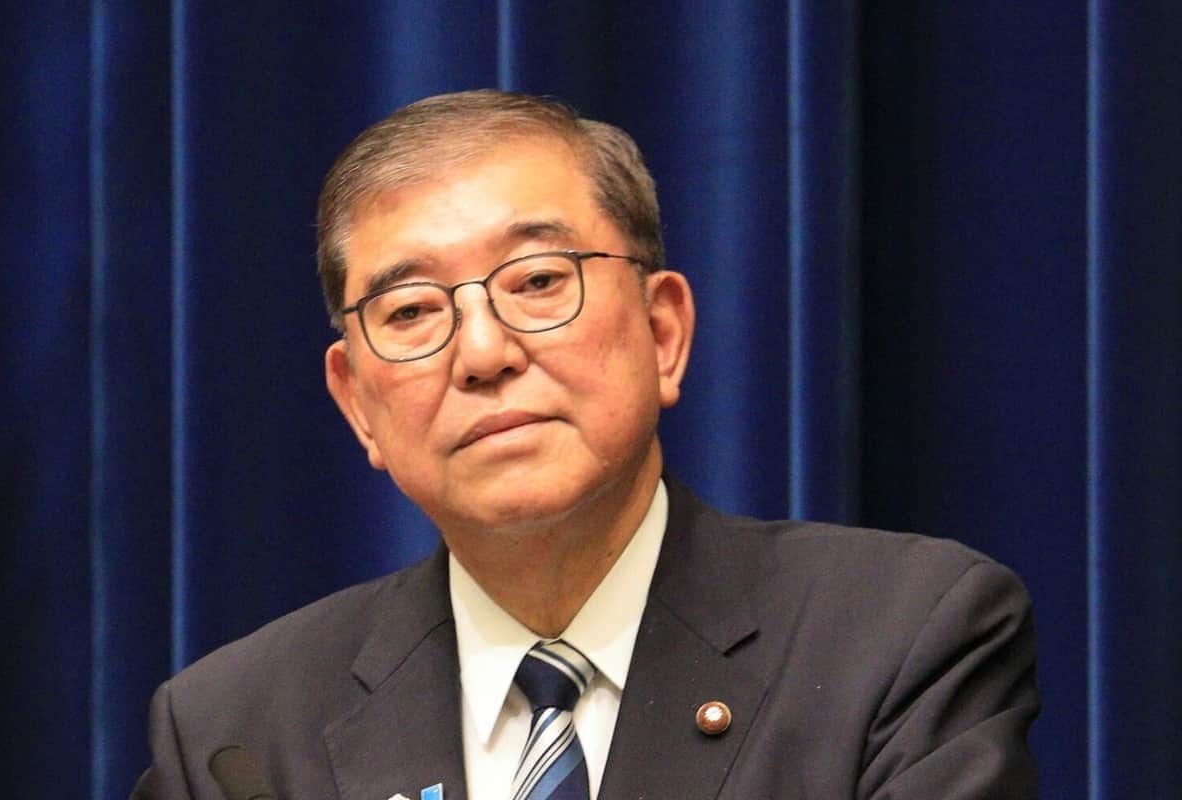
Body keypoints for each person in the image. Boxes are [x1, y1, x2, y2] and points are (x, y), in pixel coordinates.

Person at [132, 89, 1039, 799]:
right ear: (357, 404)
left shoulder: (898, 639)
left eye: (537, 281)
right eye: (410, 311)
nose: (482, 353)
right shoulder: (234, 735)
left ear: (663, 332)